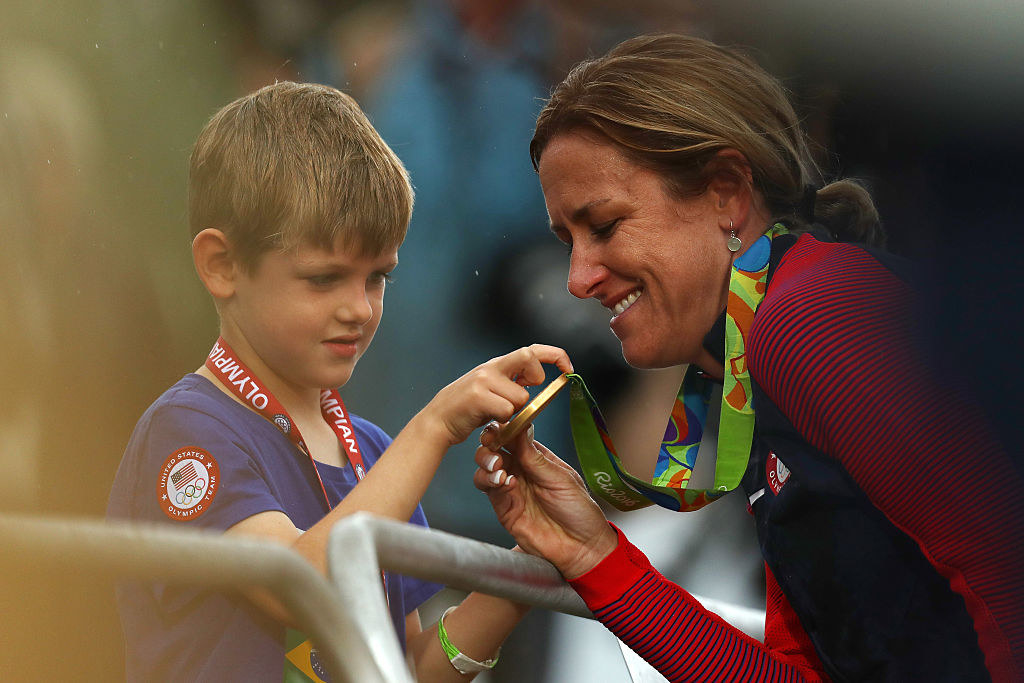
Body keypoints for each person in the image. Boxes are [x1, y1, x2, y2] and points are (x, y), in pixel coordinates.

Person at [474, 34, 1024, 683]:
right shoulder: (763, 356)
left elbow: (1007, 580)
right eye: (567, 241)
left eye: (605, 226)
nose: (577, 278)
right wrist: (592, 553)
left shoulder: (807, 317)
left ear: (727, 193)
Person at [106, 81, 573, 682]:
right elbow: (295, 585)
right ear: (222, 266)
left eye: (377, 278)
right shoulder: (191, 428)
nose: (359, 308)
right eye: (325, 279)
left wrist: (524, 569)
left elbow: (403, 670)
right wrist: (433, 428)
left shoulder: (375, 453)